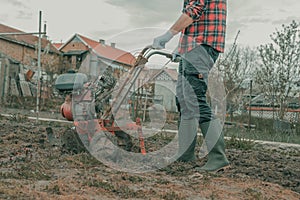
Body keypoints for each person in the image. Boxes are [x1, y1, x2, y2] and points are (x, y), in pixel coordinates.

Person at [152, 0, 229, 172]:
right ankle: (185, 154)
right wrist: (180, 48)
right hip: (192, 47)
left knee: (195, 99)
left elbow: (195, 10)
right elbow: (195, 22)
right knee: (184, 100)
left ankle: (218, 157)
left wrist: (168, 34)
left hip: (201, 47)